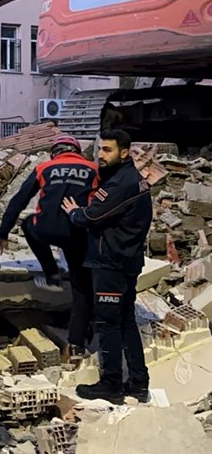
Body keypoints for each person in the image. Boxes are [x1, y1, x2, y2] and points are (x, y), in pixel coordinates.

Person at [62, 129, 153, 404]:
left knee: (109, 323)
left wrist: (74, 213)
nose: (100, 155)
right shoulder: (125, 178)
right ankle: (138, 382)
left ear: (124, 153)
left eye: (107, 150)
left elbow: (92, 215)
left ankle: (111, 384)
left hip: (111, 263)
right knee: (125, 321)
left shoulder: (121, 184)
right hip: (124, 260)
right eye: (99, 149)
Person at [0, 135, 98, 359]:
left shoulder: (44, 168)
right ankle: (76, 345)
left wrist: (3, 233)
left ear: (55, 152)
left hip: (45, 229)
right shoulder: (94, 169)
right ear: (78, 151)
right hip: (78, 233)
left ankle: (51, 274)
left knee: (27, 224)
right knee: (81, 289)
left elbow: (19, 201)